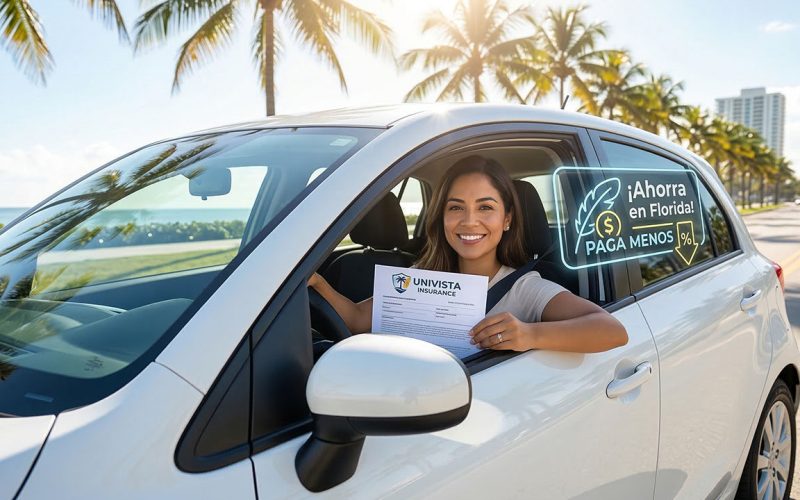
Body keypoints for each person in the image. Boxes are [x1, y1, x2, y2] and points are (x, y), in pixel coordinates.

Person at [308, 155, 628, 353]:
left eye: (485, 207)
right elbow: (357, 320)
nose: (469, 221)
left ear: (507, 220)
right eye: (456, 207)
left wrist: (530, 334)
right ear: (442, 216)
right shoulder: (423, 277)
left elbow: (611, 331)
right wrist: (316, 282)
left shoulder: (525, 288)